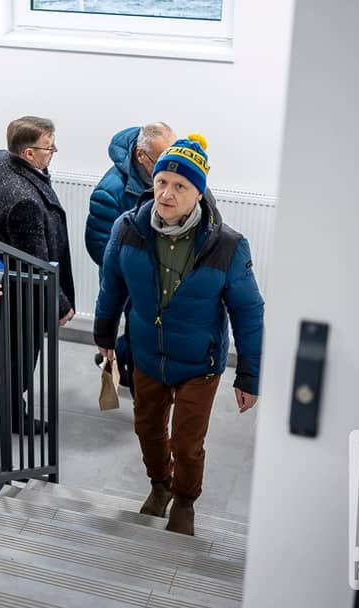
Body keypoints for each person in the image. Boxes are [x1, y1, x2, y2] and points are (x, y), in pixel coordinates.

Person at [94, 134, 263, 536]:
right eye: (161, 182)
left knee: (187, 443)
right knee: (148, 431)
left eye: (180, 186)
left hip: (199, 363)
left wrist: (250, 375)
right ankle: (161, 484)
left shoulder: (228, 246)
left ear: (199, 192)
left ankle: (185, 501)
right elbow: (111, 287)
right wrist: (104, 335)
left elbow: (249, 312)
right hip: (146, 354)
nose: (167, 194)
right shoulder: (127, 229)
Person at [0, 116, 76, 434]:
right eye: (49, 147)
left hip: (1, 276)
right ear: (28, 153)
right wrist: (61, 306)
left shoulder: (0, 159)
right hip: (22, 292)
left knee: (7, 347)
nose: (54, 151)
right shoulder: (24, 201)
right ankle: (10, 415)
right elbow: (37, 262)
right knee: (21, 354)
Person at [85, 123, 177, 393]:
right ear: (141, 155)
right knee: (141, 333)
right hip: (128, 279)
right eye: (161, 161)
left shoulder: (161, 181)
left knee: (144, 331)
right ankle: (141, 391)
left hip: (157, 276)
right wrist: (136, 271)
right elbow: (99, 245)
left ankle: (124, 358)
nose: (168, 168)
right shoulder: (110, 191)